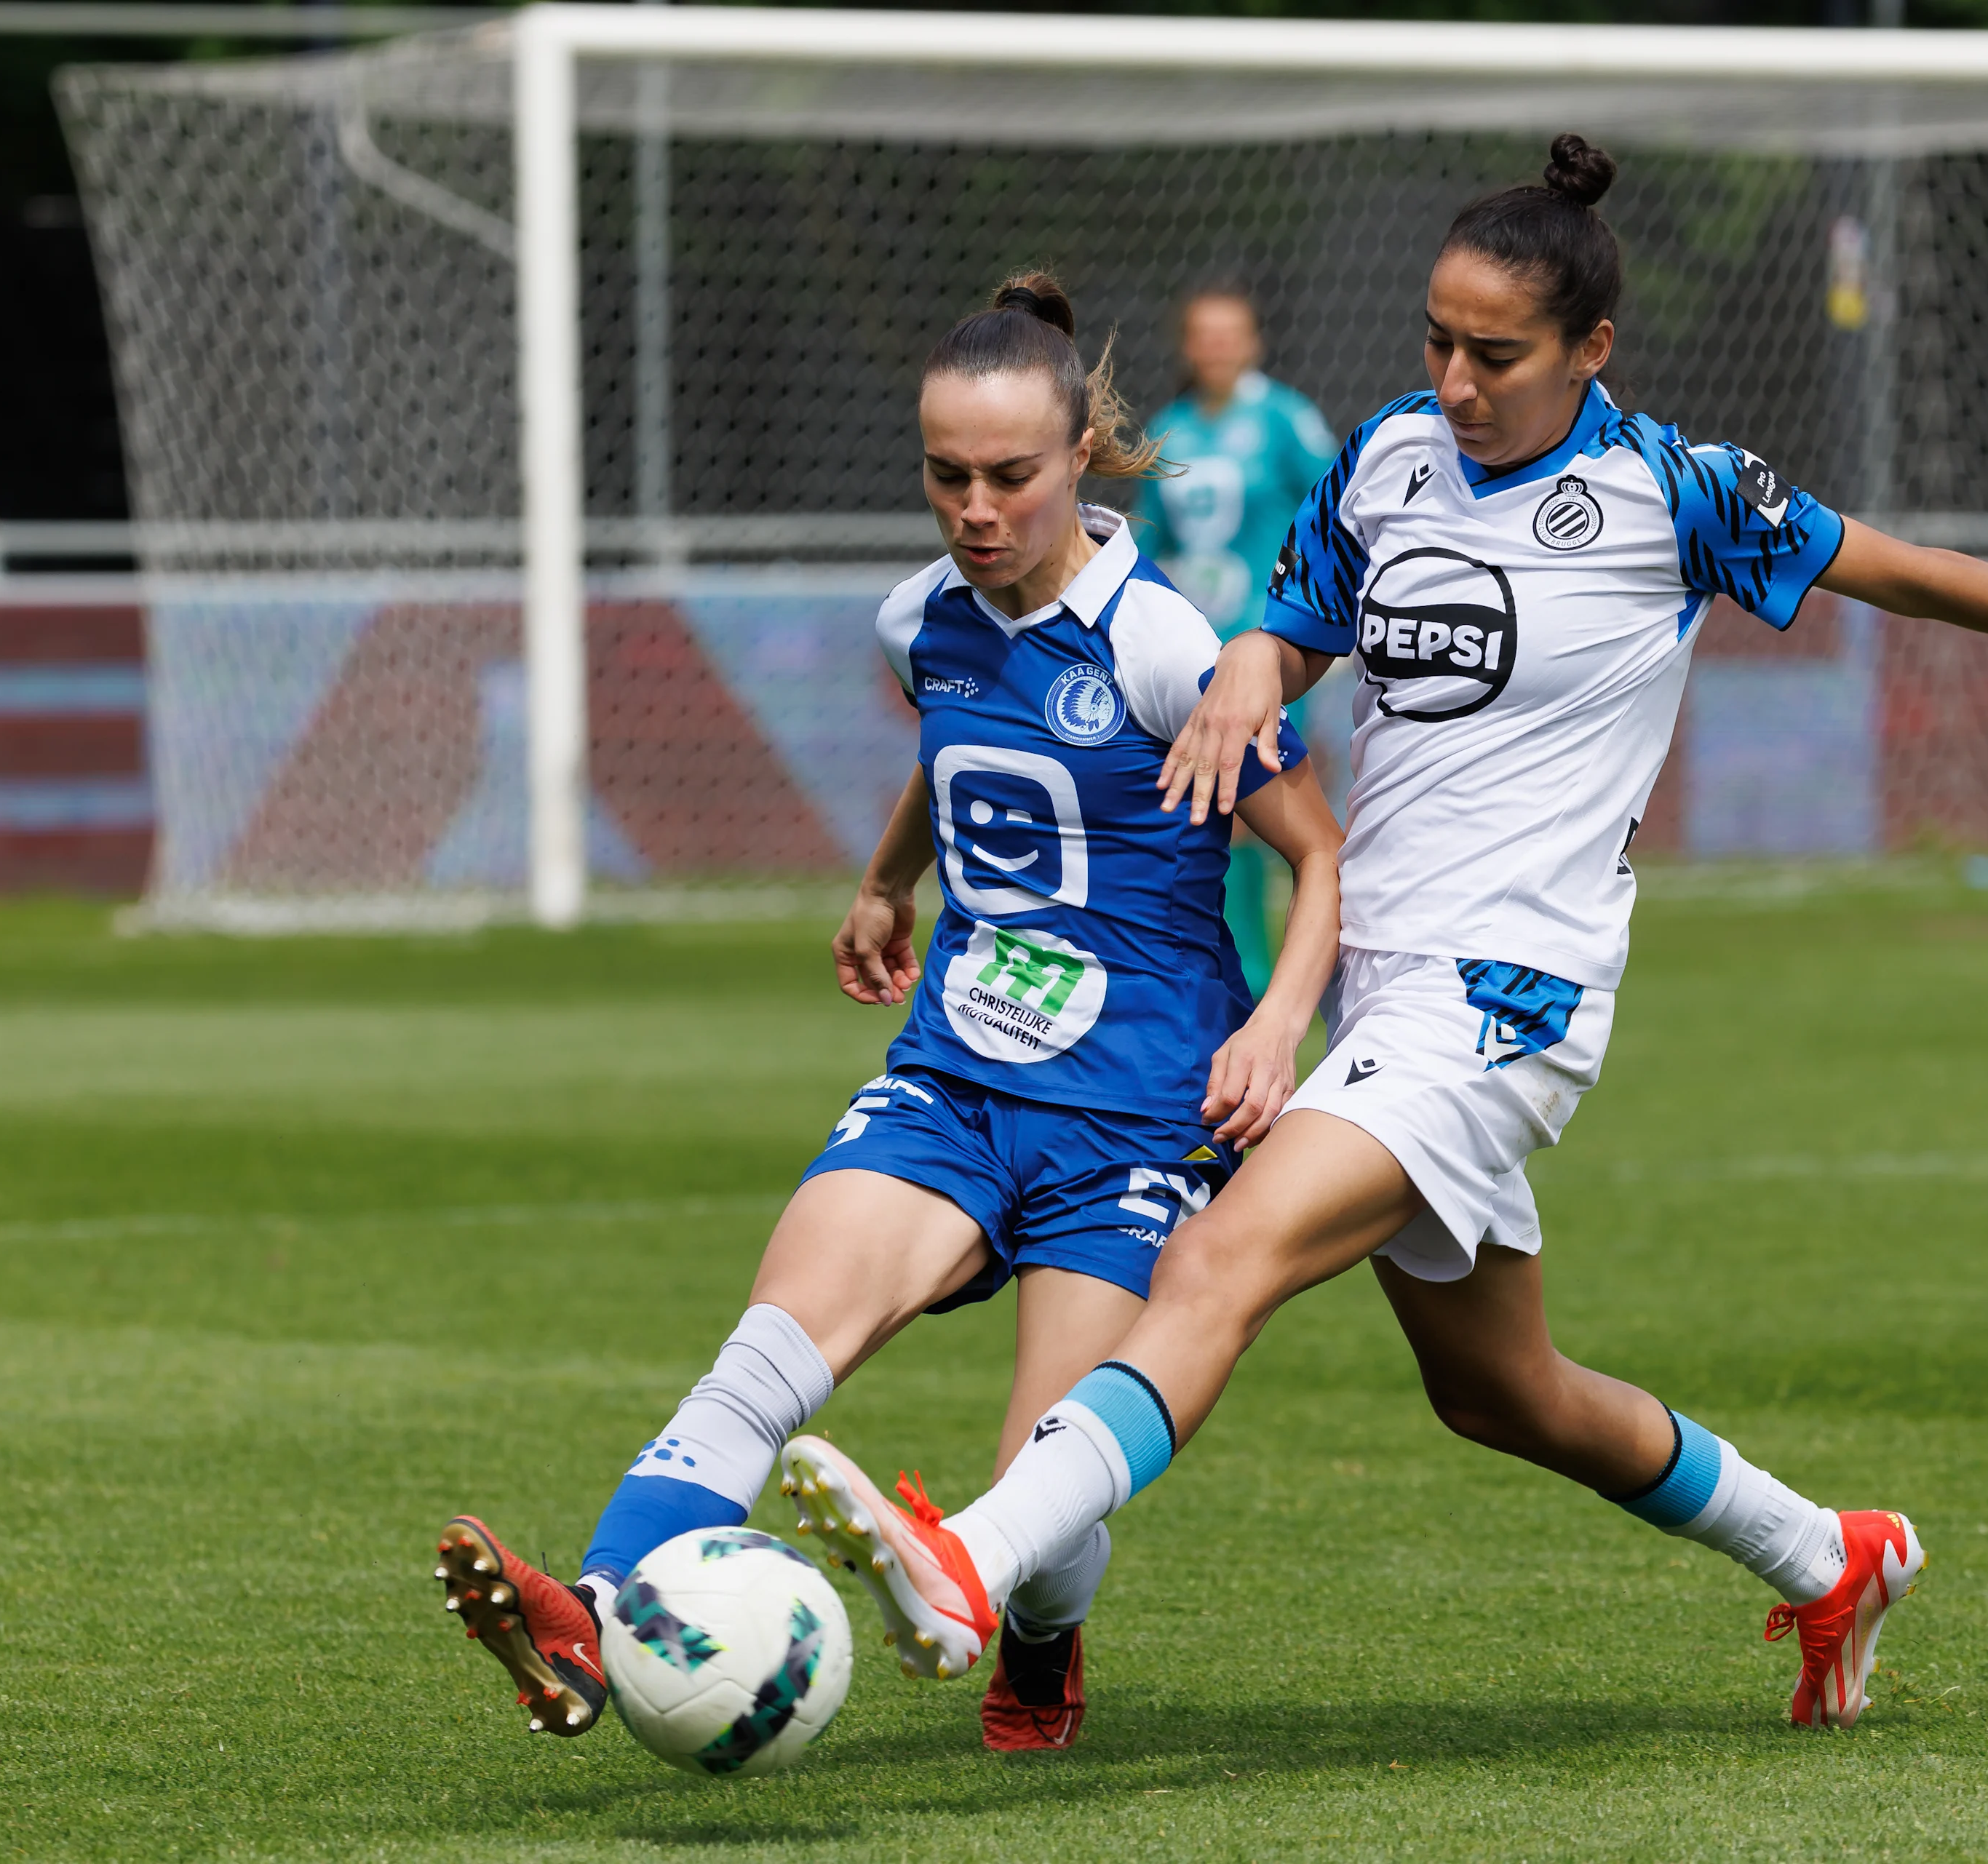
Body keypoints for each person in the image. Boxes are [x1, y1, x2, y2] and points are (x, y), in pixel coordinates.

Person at [782, 136, 1988, 1730]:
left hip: (1509, 996)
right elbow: (1293, 628)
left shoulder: (1671, 494)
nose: (1457, 378)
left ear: (1592, 350)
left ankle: (974, 1564)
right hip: (1385, 987)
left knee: (1221, 1256)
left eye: (1497, 353)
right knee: (1503, 1393)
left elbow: (1889, 569)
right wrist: (1248, 675)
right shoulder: (1384, 462)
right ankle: (1835, 1555)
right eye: (1438, 340)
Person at [432, 273, 1343, 1756]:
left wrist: (1278, 1026)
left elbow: (1320, 856)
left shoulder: (1167, 646)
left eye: (1010, 478)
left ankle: (1042, 1649)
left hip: (1134, 1115)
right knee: (770, 1354)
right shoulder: (919, 619)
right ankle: (590, 1615)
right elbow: (950, 748)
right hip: (956, 1078)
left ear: (1082, 461)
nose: (975, 510)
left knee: (1045, 1505)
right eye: (946, 477)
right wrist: (885, 883)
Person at [1133, 286, 1340, 995]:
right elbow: (1150, 537)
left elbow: (1335, 508)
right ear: (1188, 346)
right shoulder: (1169, 428)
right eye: (1205, 335)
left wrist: (1325, 615)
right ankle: (1246, 978)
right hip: (1193, 652)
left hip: (1274, 651)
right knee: (1217, 810)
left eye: (1231, 335)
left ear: (1252, 343)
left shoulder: (1284, 419)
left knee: (1272, 811)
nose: (1218, 348)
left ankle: (1307, 974)